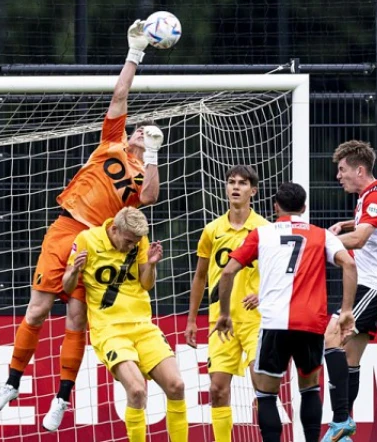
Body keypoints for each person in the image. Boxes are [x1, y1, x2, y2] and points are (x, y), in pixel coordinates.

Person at [0, 19, 164, 432]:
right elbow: (120, 95)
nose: (139, 132)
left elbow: (151, 197)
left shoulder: (141, 176)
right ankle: (12, 381)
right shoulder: (112, 141)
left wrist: (154, 153)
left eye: (146, 133)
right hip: (65, 226)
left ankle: (61, 399)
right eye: (139, 129)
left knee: (77, 318)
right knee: (38, 307)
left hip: (95, 240)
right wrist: (134, 54)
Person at [211, 182, 358, 442]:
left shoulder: (261, 234)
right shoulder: (321, 234)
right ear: (303, 208)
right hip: (311, 324)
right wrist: (346, 310)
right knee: (309, 388)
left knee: (266, 393)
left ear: (275, 206)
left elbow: (228, 271)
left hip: (274, 323)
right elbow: (348, 263)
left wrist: (224, 314)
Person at [63, 207, 187, 442]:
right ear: (114, 229)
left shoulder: (139, 242)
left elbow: (146, 284)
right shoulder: (86, 240)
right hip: (109, 331)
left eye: (136, 243)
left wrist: (151, 265)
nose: (132, 246)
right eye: (129, 241)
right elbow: (67, 287)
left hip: (142, 325)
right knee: (137, 390)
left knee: (177, 385)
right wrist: (74, 271)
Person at [183, 165, 269, 442]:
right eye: (231, 182)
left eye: (242, 183)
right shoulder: (212, 230)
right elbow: (199, 277)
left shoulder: (265, 230)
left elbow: (280, 274)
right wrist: (191, 320)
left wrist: (264, 295)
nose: (236, 187)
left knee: (263, 386)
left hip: (256, 319)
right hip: (221, 322)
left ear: (252, 191)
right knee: (218, 389)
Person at [327, 140, 377, 426]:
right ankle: (343, 424)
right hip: (371, 284)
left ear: (359, 170)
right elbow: (367, 227)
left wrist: (318, 240)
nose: (338, 176)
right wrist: (345, 224)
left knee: (330, 337)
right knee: (350, 360)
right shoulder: (370, 197)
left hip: (373, 286)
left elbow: (359, 239)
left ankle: (340, 421)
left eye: (342, 169)